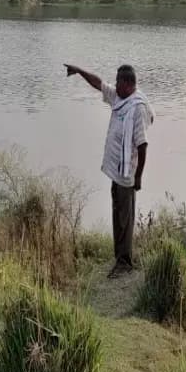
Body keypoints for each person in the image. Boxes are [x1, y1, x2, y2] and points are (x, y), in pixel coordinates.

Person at [64, 63, 154, 278]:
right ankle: (120, 259)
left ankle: (125, 263)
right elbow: (99, 84)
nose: (114, 84)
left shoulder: (137, 107)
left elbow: (142, 145)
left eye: (118, 81)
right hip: (117, 170)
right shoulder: (120, 98)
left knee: (124, 218)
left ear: (127, 84)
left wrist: (138, 176)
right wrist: (78, 70)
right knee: (118, 214)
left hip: (127, 174)